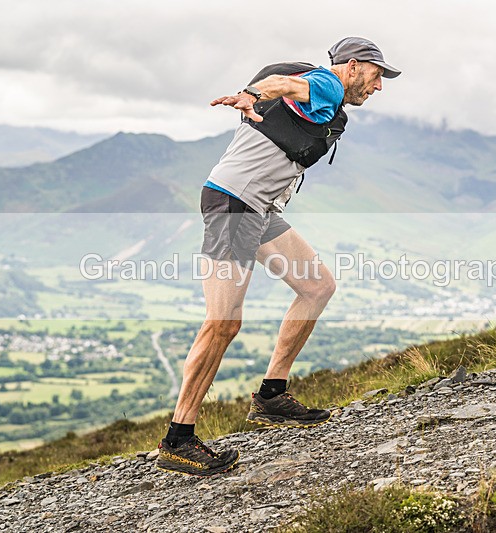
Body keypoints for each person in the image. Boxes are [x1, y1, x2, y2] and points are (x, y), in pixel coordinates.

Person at [156, 37, 401, 476]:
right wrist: (252, 95)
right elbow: (282, 84)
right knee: (222, 324)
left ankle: (271, 396)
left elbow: (284, 87)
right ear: (356, 66)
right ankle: (178, 440)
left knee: (317, 286)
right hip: (235, 204)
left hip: (258, 208)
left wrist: (256, 95)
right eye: (378, 76)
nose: (379, 87)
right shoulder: (326, 83)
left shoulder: (322, 88)